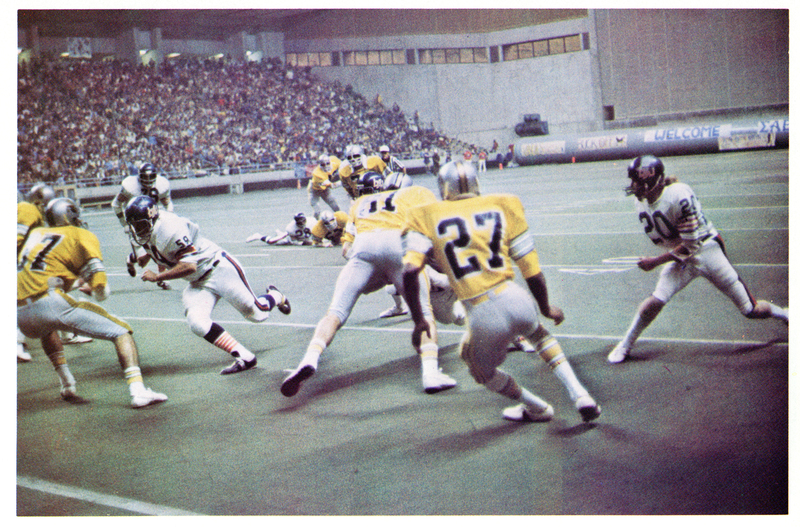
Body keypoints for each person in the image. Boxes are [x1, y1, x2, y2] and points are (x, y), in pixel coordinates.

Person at [401, 161, 601, 423]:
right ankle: (580, 395)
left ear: (444, 188)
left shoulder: (425, 214)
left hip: (481, 311)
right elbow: (532, 271)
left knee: (478, 369)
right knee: (539, 333)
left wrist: (419, 321)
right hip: (514, 295)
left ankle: (537, 408)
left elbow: (408, 272)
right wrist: (546, 307)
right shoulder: (504, 204)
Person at [280, 171, 457, 397]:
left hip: (363, 248)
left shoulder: (361, 202)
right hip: (396, 243)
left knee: (334, 313)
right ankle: (430, 372)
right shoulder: (414, 194)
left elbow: (347, 249)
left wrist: (378, 274)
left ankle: (310, 358)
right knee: (423, 314)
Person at [608, 155, 789, 363]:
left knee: (750, 309)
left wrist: (655, 262)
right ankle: (626, 344)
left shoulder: (678, 195)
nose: (633, 187)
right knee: (655, 301)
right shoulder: (640, 202)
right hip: (682, 255)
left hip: (706, 250)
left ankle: (783, 313)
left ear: (652, 181)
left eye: (637, 182)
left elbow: (691, 246)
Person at [17, 198, 168, 408]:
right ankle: (138, 391)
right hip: (50, 302)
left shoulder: (34, 235)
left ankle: (67, 383)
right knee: (121, 332)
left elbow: (42, 273)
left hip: (20, 313)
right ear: (70, 215)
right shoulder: (80, 235)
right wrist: (96, 289)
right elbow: (100, 289)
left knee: (46, 328)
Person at [124, 195, 292, 375]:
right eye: (135, 225)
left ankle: (275, 296)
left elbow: (189, 265)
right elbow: (155, 252)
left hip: (218, 269)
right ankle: (245, 357)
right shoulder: (150, 231)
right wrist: (138, 258)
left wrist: (158, 277)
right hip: (197, 282)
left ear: (152, 218)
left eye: (140, 225)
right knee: (197, 322)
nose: (137, 229)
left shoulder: (170, 228)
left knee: (258, 314)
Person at [111, 162, 174, 289]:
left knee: (160, 248)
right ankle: (131, 259)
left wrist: (168, 217)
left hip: (153, 220)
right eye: (145, 177)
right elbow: (116, 204)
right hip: (136, 224)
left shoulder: (162, 185)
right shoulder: (130, 186)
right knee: (143, 261)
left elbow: (168, 203)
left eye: (151, 177)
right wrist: (124, 224)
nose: (148, 181)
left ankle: (162, 277)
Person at [17, 183, 57, 362]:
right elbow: (16, 239)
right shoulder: (28, 210)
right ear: (40, 203)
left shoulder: (31, 211)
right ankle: (17, 345)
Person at [308, 154, 343, 220]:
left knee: (336, 207)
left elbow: (343, 166)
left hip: (325, 190)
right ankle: (314, 224)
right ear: (320, 165)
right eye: (323, 164)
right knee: (317, 211)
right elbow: (332, 186)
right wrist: (343, 181)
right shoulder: (317, 173)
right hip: (315, 190)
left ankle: (341, 220)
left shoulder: (334, 161)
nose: (326, 166)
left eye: (327, 163)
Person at [245, 212, 313, 246]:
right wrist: (302, 243)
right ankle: (258, 236)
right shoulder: (291, 228)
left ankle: (279, 233)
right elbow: (294, 241)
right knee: (271, 241)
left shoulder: (312, 221)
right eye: (299, 220)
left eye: (303, 220)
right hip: (290, 238)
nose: (302, 222)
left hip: (304, 237)